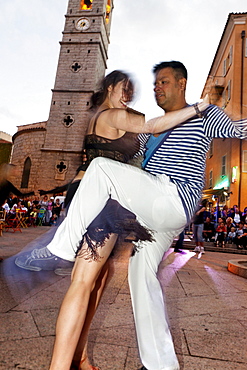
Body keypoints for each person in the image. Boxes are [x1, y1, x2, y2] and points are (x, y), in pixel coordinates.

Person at [17, 60, 247, 370]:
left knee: (101, 170)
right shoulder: (155, 131)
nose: (157, 87)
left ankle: (58, 248)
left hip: (172, 195)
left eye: (164, 81)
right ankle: (160, 365)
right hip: (154, 212)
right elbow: (132, 161)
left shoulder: (203, 115)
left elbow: (236, 129)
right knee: (140, 276)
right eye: (155, 83)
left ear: (181, 84)